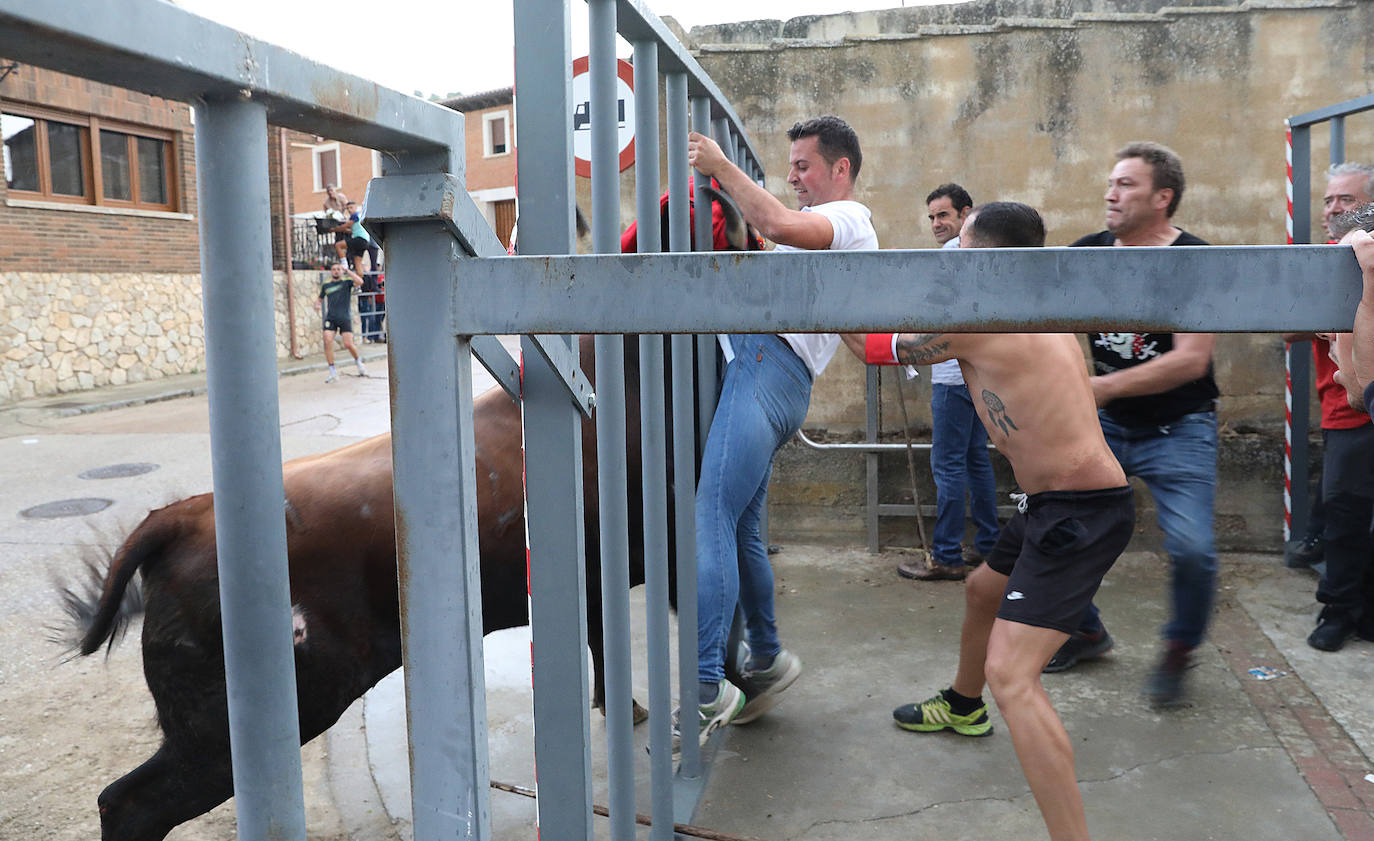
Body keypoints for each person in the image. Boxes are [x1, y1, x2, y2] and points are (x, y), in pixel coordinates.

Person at [853, 202, 1133, 841]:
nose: (951, 259)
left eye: (961, 248)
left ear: (988, 258)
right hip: (1050, 503)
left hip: (1079, 512)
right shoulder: (1038, 306)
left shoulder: (986, 319)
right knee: (983, 589)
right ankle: (961, 704)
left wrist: (819, 294)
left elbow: (874, 347)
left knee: (1015, 676)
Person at [680, 115, 878, 751]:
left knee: (709, 514)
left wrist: (719, 166)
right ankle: (765, 656)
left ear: (839, 169)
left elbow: (777, 224)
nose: (793, 178)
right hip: (780, 380)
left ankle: (708, 683)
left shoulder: (850, 217)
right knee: (741, 530)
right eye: (790, 167)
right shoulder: (831, 233)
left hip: (766, 368)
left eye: (803, 167)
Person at [1044, 142, 1218, 709]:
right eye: (1111, 182)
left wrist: (1096, 388)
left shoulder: (1193, 260)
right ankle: (1086, 630)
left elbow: (1192, 360)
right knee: (1058, 528)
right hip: (1107, 427)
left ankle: (1178, 650)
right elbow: (1045, 323)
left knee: (1192, 550)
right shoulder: (1088, 254)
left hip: (1180, 427)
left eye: (1126, 185)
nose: (1109, 194)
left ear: (1162, 198)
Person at [903, 183, 1000, 581]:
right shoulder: (985, 254)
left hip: (949, 378)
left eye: (943, 215)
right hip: (978, 374)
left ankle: (945, 554)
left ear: (965, 214)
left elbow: (931, 316)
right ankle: (990, 546)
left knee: (948, 466)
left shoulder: (950, 255)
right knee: (977, 461)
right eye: (931, 217)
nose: (936, 224)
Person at [1282, 163, 1374, 569]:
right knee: (1343, 508)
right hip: (1343, 404)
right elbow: (1287, 328)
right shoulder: (1323, 257)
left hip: (1358, 405)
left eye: (1346, 199)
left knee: (1348, 512)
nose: (1333, 209)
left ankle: (1344, 606)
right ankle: (1340, 605)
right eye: (1328, 200)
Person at [315, 261, 366, 383]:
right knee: (327, 341)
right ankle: (332, 371)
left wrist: (348, 272)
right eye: (334, 269)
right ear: (331, 271)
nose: (336, 271)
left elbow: (360, 282)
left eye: (338, 269)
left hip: (344, 317)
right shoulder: (326, 285)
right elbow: (320, 298)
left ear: (341, 271)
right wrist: (317, 304)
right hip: (331, 318)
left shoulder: (346, 282)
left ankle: (358, 362)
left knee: (348, 344)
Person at [343, 200, 379, 277]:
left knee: (339, 245)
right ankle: (361, 283)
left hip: (362, 240)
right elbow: (353, 230)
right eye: (348, 208)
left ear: (356, 208)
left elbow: (345, 225)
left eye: (351, 207)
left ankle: (344, 264)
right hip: (366, 241)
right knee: (358, 262)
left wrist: (334, 229)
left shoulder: (355, 216)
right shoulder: (360, 216)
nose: (349, 210)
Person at [322, 184, 350, 263]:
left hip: (345, 221)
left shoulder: (341, 197)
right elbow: (326, 214)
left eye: (332, 190)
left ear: (335, 190)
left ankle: (349, 259)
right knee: (338, 241)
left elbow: (348, 207)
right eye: (328, 191)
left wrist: (345, 216)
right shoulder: (326, 202)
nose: (330, 193)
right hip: (336, 223)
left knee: (347, 241)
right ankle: (341, 260)